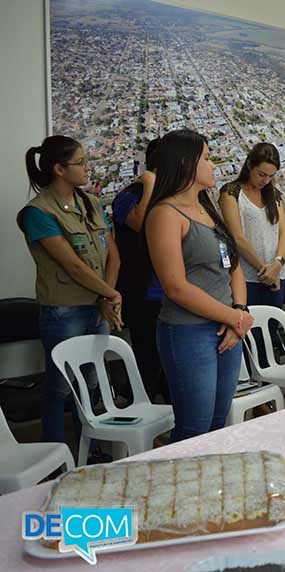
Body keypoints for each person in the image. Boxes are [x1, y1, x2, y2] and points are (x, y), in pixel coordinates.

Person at [145, 129, 252, 443]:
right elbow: (175, 286)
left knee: (218, 422)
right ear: (185, 163)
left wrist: (239, 312)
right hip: (189, 331)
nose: (213, 164)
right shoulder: (165, 214)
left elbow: (232, 267)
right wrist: (233, 318)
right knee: (194, 428)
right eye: (206, 157)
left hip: (227, 329)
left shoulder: (207, 209)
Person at [19, 135, 123, 444]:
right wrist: (111, 295)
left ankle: (88, 448)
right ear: (59, 169)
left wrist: (107, 296)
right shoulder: (38, 212)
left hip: (98, 306)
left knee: (91, 380)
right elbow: (73, 266)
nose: (88, 168)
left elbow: (113, 255)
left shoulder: (89, 202)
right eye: (81, 163)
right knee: (60, 385)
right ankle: (57, 451)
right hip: (64, 311)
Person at [112, 138, 168, 403]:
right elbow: (139, 223)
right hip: (144, 294)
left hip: (173, 294)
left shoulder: (174, 198)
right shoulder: (129, 196)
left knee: (171, 368)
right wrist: (149, 187)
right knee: (147, 363)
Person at [219, 143, 285, 310]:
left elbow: (283, 233)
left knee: (272, 329)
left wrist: (278, 264)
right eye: (261, 174)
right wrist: (265, 271)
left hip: (276, 275)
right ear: (249, 165)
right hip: (246, 279)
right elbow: (238, 238)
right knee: (250, 331)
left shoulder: (273, 194)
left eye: (271, 176)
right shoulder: (231, 193)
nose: (265, 181)